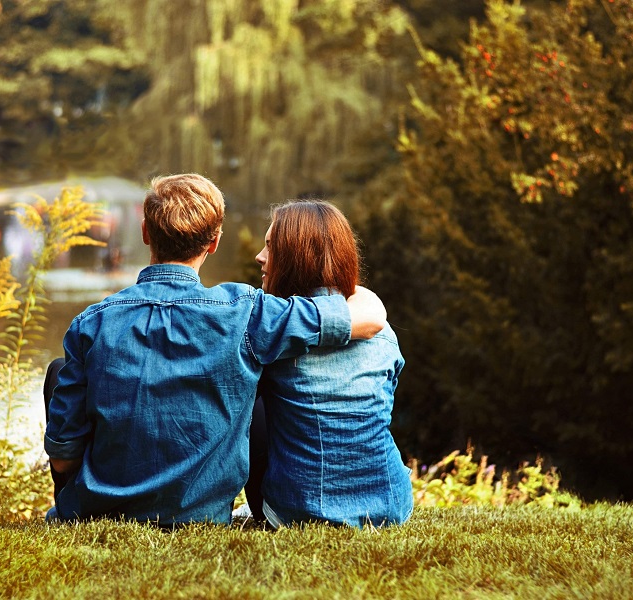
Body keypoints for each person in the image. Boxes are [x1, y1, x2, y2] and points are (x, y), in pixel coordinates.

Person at [43, 173, 388, 526]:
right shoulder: (246, 312)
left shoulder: (91, 322)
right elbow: (359, 319)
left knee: (60, 370)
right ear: (214, 242)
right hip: (199, 515)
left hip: (95, 512)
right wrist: (371, 301)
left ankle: (91, 503)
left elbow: (63, 460)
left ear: (146, 233)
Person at [247, 199, 412, 529]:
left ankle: (268, 504)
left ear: (296, 257)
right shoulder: (381, 330)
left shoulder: (275, 328)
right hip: (391, 508)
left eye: (270, 247)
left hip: (298, 512)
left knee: (249, 404)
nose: (259, 257)